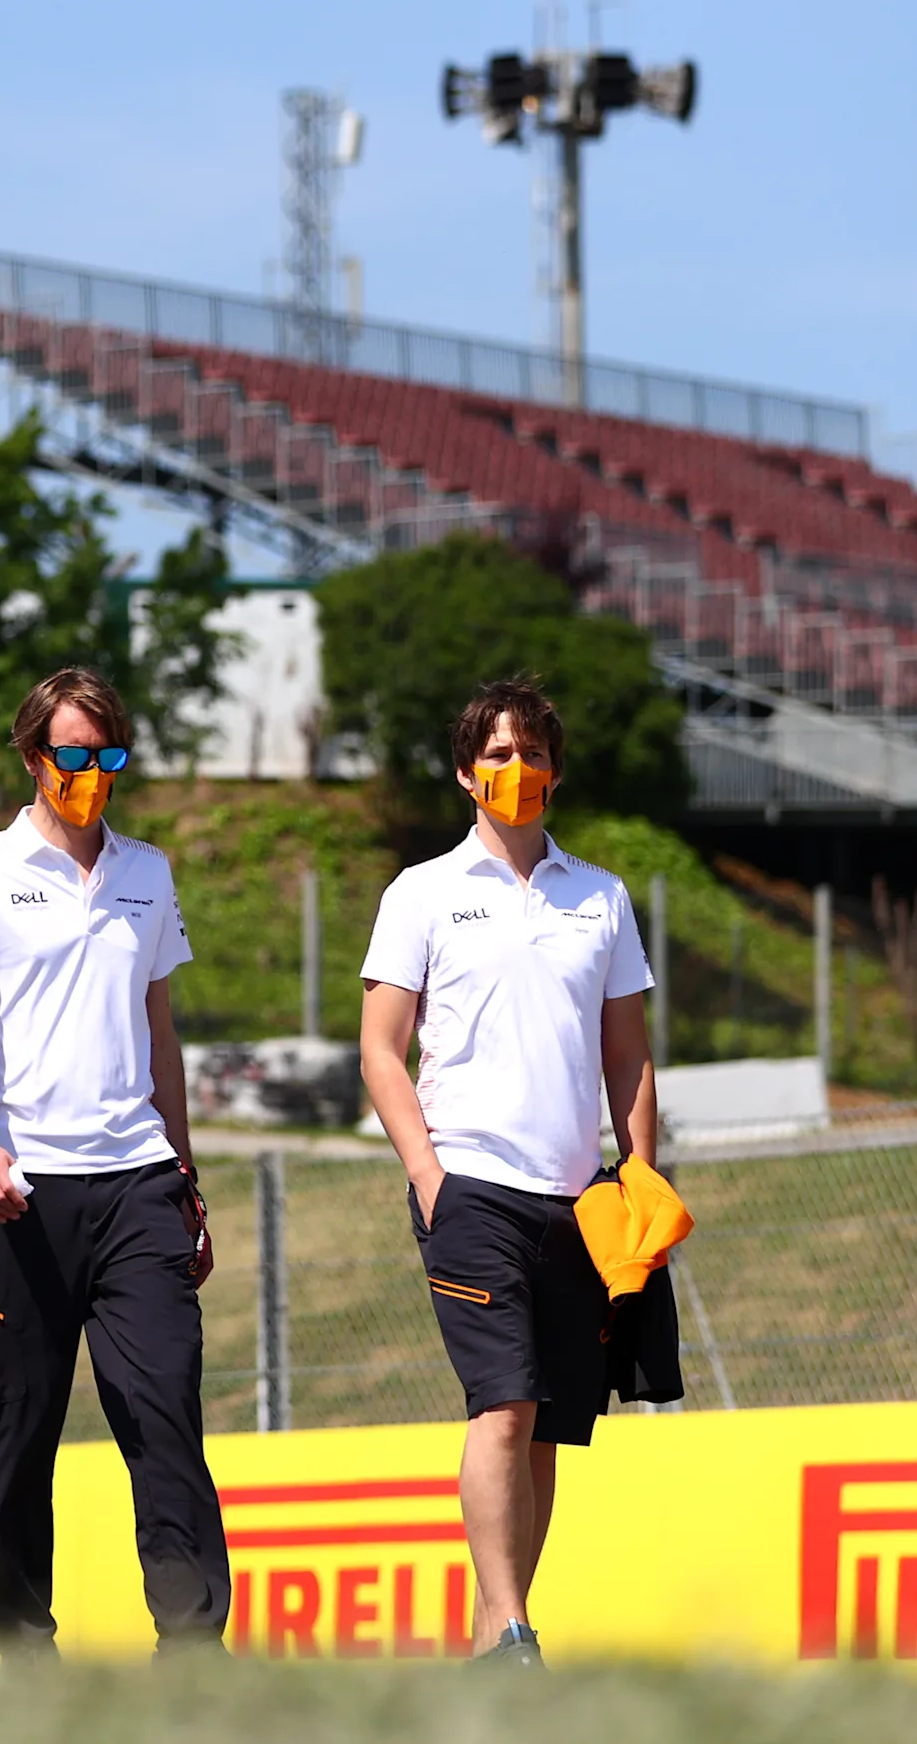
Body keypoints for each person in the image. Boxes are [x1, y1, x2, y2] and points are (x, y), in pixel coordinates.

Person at [0, 667, 225, 1657]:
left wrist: (185, 1177)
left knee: (164, 1410)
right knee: (20, 1430)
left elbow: (158, 1032)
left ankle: (191, 1656)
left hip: (137, 1183)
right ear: (30, 756)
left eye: (108, 757)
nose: (90, 775)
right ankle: (24, 1654)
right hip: (18, 1195)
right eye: (72, 757)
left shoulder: (148, 873)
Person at [358, 675, 658, 1667]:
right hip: (469, 1186)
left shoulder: (601, 899)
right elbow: (378, 1049)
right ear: (462, 772)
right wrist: (428, 1177)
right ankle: (516, 1629)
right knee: (502, 1404)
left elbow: (628, 1056)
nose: (513, 769)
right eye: (494, 753)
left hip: (577, 1199)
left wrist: (639, 1185)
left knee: (546, 1432)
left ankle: (495, 1640)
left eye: (530, 753)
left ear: (555, 771)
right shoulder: (422, 894)